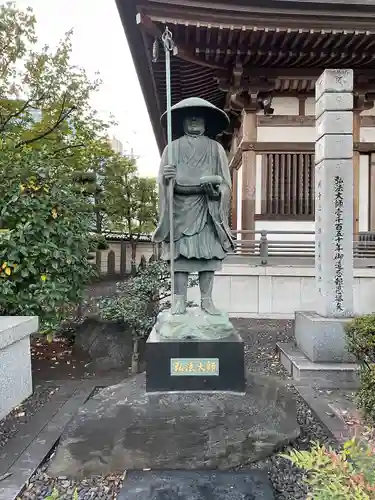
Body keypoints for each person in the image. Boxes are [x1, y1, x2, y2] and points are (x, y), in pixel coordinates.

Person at [153, 97, 234, 315]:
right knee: (181, 258)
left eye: (199, 117)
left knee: (208, 256)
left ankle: (206, 300)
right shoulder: (172, 148)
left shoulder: (216, 149)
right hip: (180, 208)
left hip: (207, 208)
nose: (195, 121)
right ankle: (179, 300)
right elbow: (162, 181)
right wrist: (166, 180)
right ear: (182, 122)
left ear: (207, 123)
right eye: (190, 117)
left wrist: (217, 191)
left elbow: (226, 182)